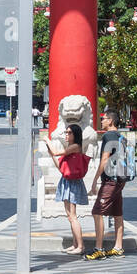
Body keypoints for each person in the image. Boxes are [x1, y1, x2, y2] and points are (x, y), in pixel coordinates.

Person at [85, 109, 126, 260]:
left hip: (110, 180)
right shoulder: (121, 136)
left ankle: (99, 249)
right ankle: (118, 247)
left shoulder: (108, 136)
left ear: (111, 121)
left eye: (104, 118)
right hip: (120, 180)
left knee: (97, 212)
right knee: (117, 214)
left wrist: (95, 179)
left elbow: (104, 160)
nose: (101, 121)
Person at [44, 124, 90, 255]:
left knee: (73, 216)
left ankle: (80, 246)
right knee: (70, 216)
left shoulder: (75, 147)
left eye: (69, 132)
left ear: (75, 134)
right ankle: (75, 244)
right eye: (66, 132)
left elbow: (56, 153)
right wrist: (50, 151)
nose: (66, 134)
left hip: (73, 183)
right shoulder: (70, 148)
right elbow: (60, 167)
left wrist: (48, 141)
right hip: (66, 181)